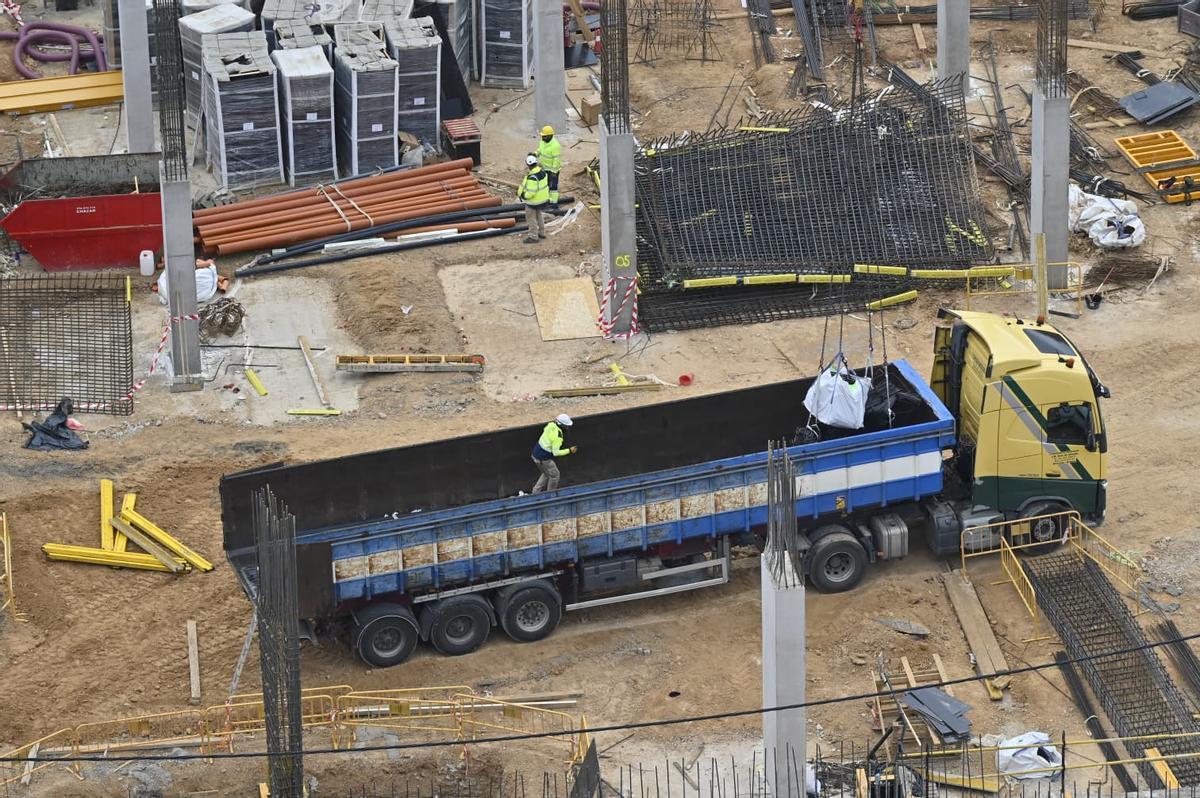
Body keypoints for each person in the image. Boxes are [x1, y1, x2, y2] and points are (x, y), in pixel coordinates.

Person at [531, 413, 577, 493]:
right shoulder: (558, 437)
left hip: (535, 454)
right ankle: (550, 495)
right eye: (566, 426)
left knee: (546, 473)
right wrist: (569, 450)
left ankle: (535, 492)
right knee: (555, 475)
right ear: (561, 425)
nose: (568, 427)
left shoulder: (551, 425)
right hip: (544, 458)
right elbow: (556, 453)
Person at [517, 154, 549, 244]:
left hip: (533, 202)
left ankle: (533, 237)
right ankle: (541, 233)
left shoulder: (532, 178)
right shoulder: (542, 172)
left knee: (531, 218)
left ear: (528, 165)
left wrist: (523, 195)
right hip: (542, 200)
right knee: (539, 215)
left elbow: (530, 193)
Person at [537, 124, 562, 205]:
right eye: (542, 136)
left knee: (553, 188)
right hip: (545, 169)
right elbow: (540, 150)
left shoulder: (555, 146)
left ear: (550, 136)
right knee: (546, 185)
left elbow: (556, 160)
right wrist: (535, 154)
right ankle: (548, 200)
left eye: (544, 136)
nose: (542, 137)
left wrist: (554, 172)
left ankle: (554, 204)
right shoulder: (543, 142)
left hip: (553, 171)